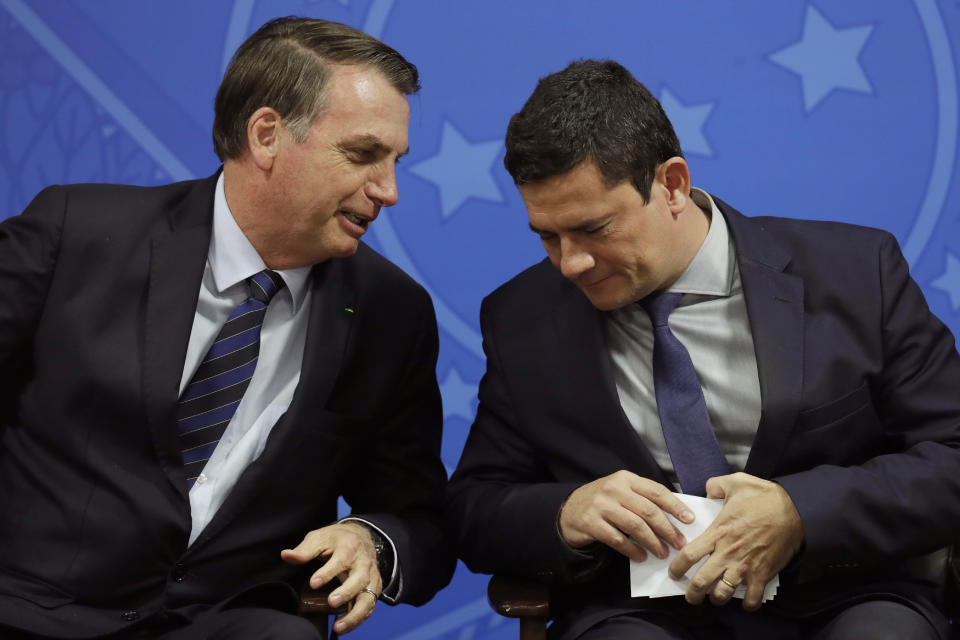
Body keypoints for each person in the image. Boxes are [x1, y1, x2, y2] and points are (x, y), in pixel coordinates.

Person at [446, 59, 960, 640]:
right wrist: (565, 513)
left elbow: (951, 453)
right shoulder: (521, 317)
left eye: (594, 229)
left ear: (672, 184)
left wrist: (800, 511)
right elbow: (476, 507)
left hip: (846, 594)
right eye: (547, 235)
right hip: (638, 614)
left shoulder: (857, 274)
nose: (571, 263)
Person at [0, 17, 453, 639]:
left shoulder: (389, 312)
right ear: (266, 135)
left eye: (396, 160)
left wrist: (369, 539)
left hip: (224, 623)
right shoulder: (77, 234)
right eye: (363, 154)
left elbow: (421, 519)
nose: (389, 191)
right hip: (35, 608)